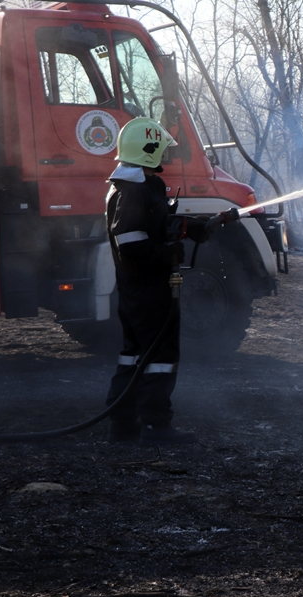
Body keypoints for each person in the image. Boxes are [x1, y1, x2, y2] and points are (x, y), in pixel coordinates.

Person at [104, 117, 196, 445]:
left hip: (138, 289)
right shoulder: (133, 191)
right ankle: (156, 426)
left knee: (134, 355)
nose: (166, 155)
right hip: (147, 289)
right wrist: (167, 253)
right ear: (148, 150)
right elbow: (130, 242)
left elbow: (154, 224)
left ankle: (122, 423)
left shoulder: (140, 185)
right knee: (159, 356)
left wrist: (192, 227)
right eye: (161, 149)